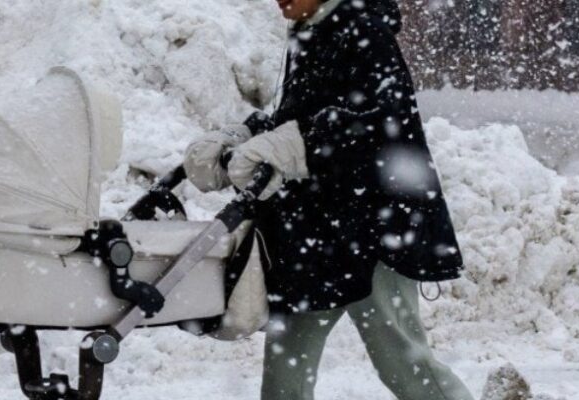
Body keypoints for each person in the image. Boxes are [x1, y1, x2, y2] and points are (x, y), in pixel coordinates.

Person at [182, 0, 476, 399]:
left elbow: (379, 123)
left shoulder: (365, 33)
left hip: (374, 231)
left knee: (403, 363)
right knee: (286, 371)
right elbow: (302, 116)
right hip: (318, 238)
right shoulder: (313, 32)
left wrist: (296, 142)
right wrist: (245, 138)